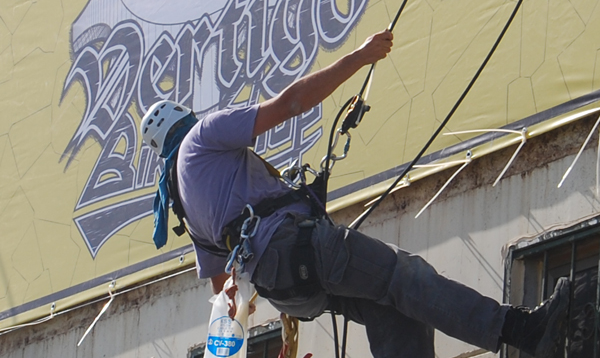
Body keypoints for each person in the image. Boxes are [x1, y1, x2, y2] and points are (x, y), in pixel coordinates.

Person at [140, 30, 570, 357]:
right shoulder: (202, 137)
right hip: (298, 248)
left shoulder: (184, 200)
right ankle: (522, 330)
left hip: (288, 285)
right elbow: (290, 104)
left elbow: (226, 293)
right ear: (186, 118)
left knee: (390, 305)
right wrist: (358, 58)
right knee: (406, 276)